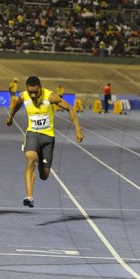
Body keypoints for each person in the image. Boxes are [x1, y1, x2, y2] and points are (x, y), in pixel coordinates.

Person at [6, 76, 84, 208]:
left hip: (48, 138)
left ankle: (37, 170)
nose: (32, 95)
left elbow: (70, 108)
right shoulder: (24, 97)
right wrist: (10, 116)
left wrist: (78, 129)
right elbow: (17, 105)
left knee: (44, 175)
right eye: (30, 92)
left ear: (40, 88)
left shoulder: (50, 97)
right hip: (32, 134)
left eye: (35, 92)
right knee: (30, 158)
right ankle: (29, 196)